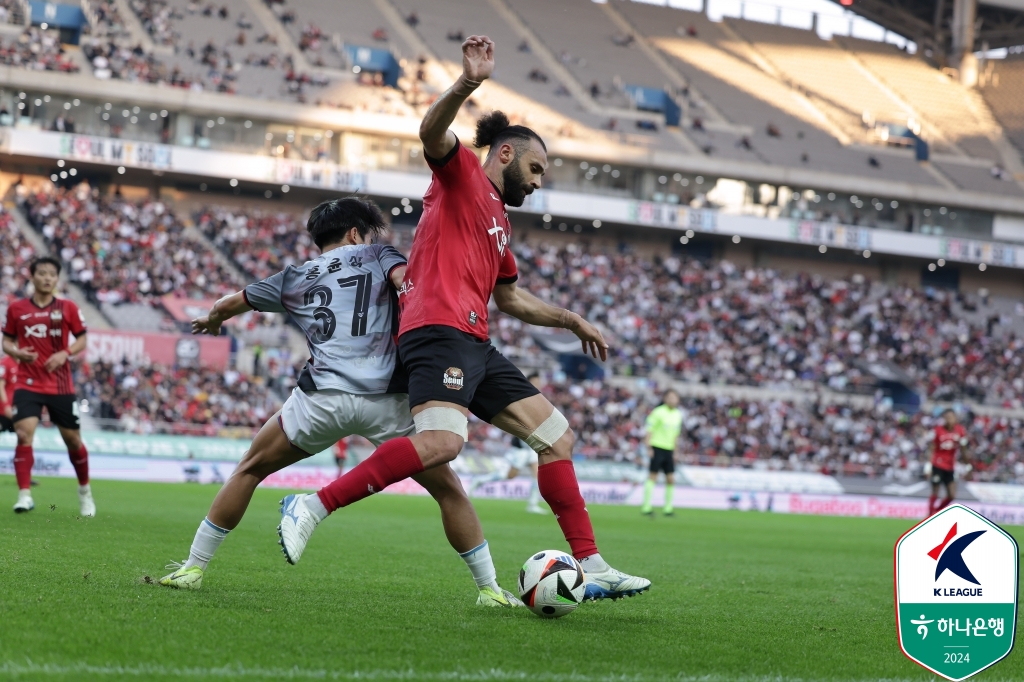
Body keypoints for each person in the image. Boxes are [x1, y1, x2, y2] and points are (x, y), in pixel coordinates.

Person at [278, 36, 650, 601]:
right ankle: (313, 503)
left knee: (556, 436)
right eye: (536, 167)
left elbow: (512, 299)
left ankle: (591, 562)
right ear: (505, 153)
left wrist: (571, 320)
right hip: (436, 329)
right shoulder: (462, 180)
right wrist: (468, 84)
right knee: (442, 445)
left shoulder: (498, 222)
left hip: (475, 339)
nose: (540, 180)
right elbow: (431, 135)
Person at [159, 197, 521, 607]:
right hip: (389, 401)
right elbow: (408, 283)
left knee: (249, 469)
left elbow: (230, 304)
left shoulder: (294, 277)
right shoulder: (379, 253)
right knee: (450, 492)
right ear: (355, 234)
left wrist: (212, 320)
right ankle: (490, 589)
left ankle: (192, 567)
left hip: (321, 400)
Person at [1, 257, 93, 516]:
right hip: (27, 382)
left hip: (60, 385)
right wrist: (17, 352)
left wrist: (65, 353)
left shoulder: (67, 307)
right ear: (32, 277)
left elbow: (82, 339)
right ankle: (24, 495)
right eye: (42, 273)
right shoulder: (16, 309)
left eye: (52, 274)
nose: (47, 278)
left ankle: (85, 491)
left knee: (73, 440)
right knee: (23, 433)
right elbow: (6, 342)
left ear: (57, 279)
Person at [472, 373, 547, 514]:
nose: (539, 383)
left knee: (536, 474)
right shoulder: (524, 396)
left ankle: (532, 504)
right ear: (529, 382)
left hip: (530, 446)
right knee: (510, 475)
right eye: (536, 381)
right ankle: (480, 479)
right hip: (521, 446)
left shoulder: (537, 397)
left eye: (539, 381)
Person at [640, 389, 683, 516]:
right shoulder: (658, 412)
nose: (672, 400)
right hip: (657, 446)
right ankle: (646, 506)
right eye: (670, 397)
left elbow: (676, 435)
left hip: (669, 449)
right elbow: (649, 430)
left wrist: (676, 451)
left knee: (671, 479)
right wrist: (648, 447)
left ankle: (668, 508)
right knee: (653, 476)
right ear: (665, 399)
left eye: (674, 398)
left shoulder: (678, 414)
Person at [929, 409, 968, 515]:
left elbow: (964, 449)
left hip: (950, 467)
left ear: (955, 418)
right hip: (937, 464)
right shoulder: (937, 431)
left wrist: (968, 467)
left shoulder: (960, 431)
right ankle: (929, 515)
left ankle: (936, 512)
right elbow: (932, 448)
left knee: (952, 495)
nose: (949, 420)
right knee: (935, 492)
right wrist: (928, 466)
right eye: (947, 418)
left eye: (951, 417)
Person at [0, 353, 17, 432]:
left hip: (18, 407)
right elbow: (0, 386)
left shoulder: (26, 364)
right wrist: (6, 405)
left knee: (23, 435)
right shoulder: (5, 363)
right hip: (3, 409)